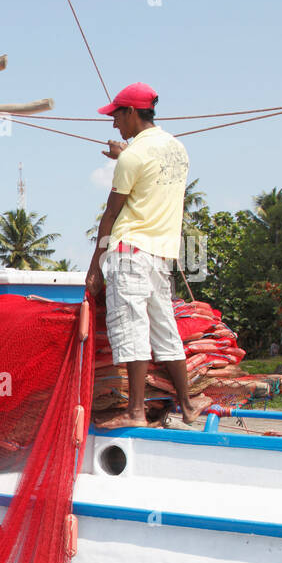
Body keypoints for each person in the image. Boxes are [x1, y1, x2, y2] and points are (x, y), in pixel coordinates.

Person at [84, 83, 206, 429]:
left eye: (117, 115)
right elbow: (150, 172)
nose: (113, 123)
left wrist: (95, 267)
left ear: (133, 113)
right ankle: (187, 406)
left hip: (129, 253)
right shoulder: (177, 150)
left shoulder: (133, 157)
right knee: (166, 331)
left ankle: (135, 412)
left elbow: (110, 215)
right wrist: (125, 154)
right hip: (161, 256)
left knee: (130, 330)